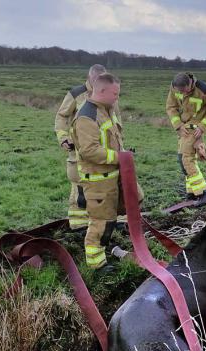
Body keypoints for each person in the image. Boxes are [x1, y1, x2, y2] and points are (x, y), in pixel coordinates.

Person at [72, 73, 137, 271]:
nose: (117, 97)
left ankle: (104, 250)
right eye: (115, 93)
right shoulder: (86, 116)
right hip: (98, 182)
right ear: (101, 91)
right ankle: (96, 265)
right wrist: (120, 158)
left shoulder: (106, 110)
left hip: (112, 178)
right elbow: (89, 150)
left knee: (111, 218)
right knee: (101, 222)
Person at [54, 64, 113, 231]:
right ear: (90, 78)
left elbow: (115, 121)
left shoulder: (108, 94)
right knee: (80, 189)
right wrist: (63, 138)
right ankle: (79, 226)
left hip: (102, 150)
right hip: (79, 150)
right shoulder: (76, 94)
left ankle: (109, 222)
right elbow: (61, 116)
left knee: (107, 185)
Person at [165, 72, 206, 204]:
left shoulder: (204, 90)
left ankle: (204, 192)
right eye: (180, 91)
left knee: (186, 159)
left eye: (184, 90)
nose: (183, 93)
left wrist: (202, 127)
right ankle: (191, 192)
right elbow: (171, 107)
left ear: (190, 84)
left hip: (195, 129)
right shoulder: (174, 87)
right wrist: (178, 125)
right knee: (183, 159)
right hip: (183, 129)